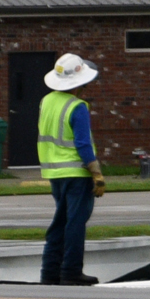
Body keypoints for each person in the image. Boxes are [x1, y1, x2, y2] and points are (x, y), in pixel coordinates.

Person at [36, 52, 108, 285]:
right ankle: (71, 272)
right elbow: (83, 143)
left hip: (54, 173)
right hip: (77, 173)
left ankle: (49, 272)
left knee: (59, 222)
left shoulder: (46, 101)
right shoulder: (78, 106)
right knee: (75, 223)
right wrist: (96, 173)